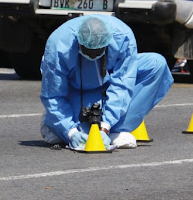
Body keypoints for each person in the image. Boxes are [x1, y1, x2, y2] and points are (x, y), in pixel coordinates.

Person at [39, 15, 173, 150]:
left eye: (97, 52)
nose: (92, 56)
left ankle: (115, 129)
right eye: (88, 51)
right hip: (76, 90)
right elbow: (53, 94)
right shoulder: (59, 44)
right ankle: (55, 123)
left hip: (106, 84)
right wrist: (70, 131)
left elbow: (123, 84)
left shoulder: (123, 36)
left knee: (156, 64)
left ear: (108, 43)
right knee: (79, 133)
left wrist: (106, 126)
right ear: (78, 42)